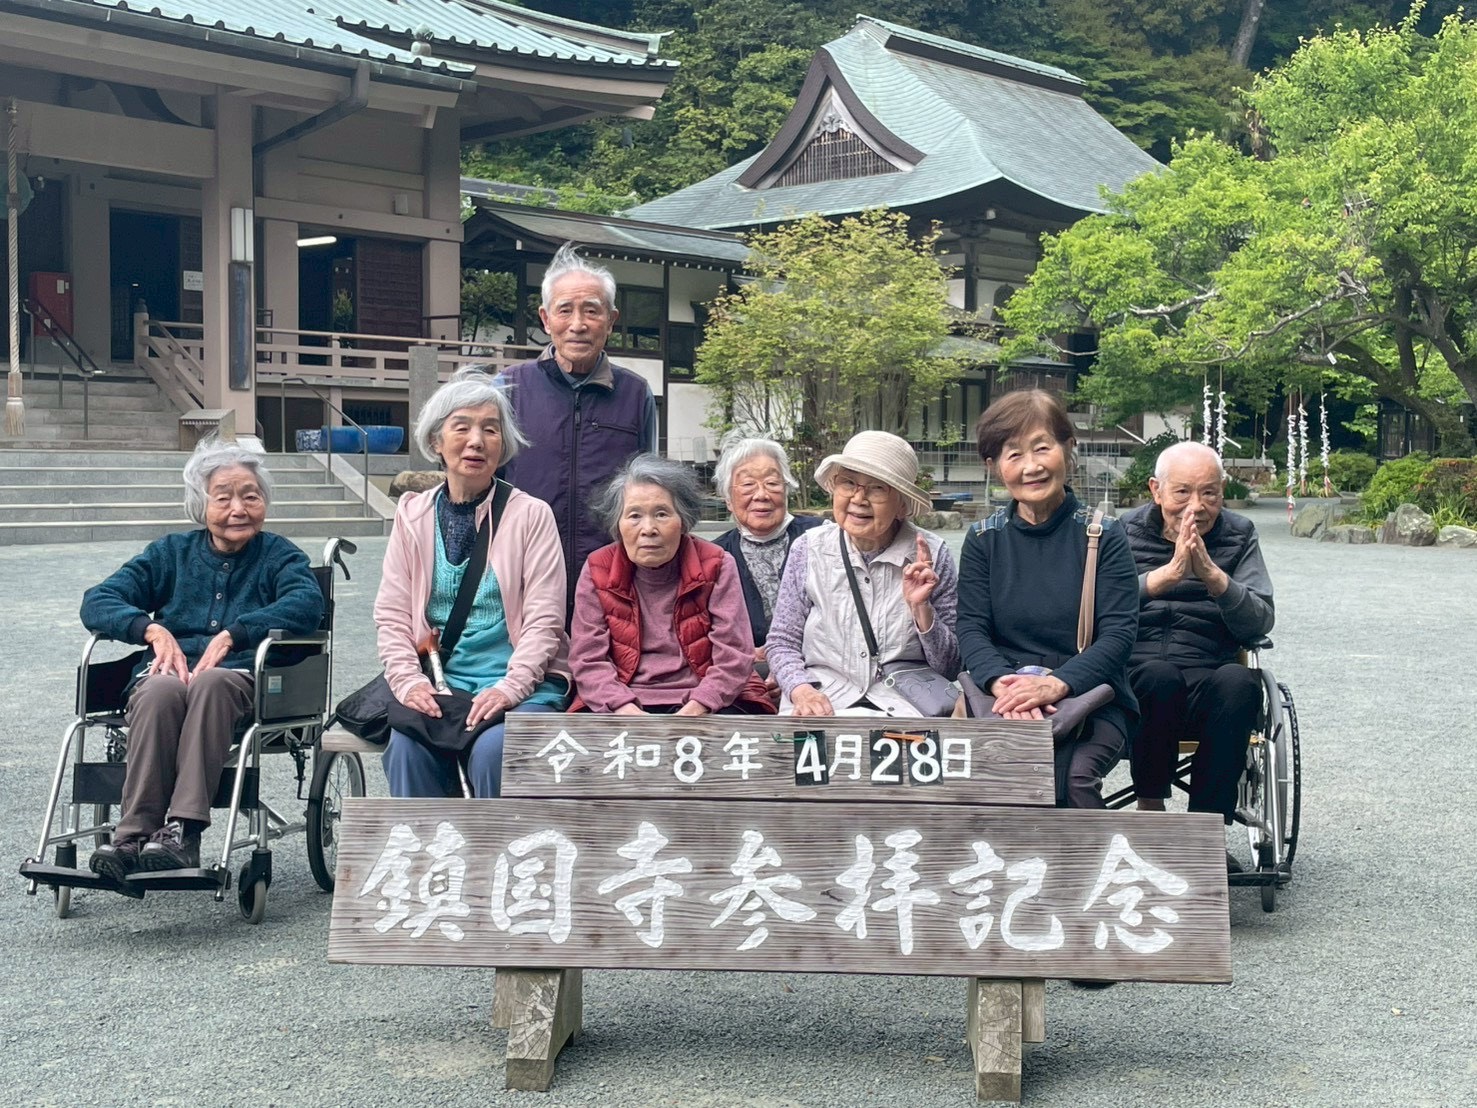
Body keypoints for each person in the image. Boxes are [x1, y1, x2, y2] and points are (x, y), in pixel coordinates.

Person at [81, 441, 324, 880]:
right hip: (168, 676)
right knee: (157, 689)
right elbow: (98, 600)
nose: (239, 508)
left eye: (250, 495)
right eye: (224, 496)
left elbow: (307, 604)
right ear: (201, 504)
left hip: (239, 682)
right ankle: (132, 835)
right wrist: (150, 630)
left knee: (213, 682)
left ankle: (183, 831)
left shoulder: (279, 555)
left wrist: (238, 633)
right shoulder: (170, 553)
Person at [376, 367, 571, 798]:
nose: (476, 441)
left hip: (522, 683)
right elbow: (391, 615)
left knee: (494, 751)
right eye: (460, 427)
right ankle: (428, 862)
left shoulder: (531, 515)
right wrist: (410, 683)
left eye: (490, 429)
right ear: (436, 442)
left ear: (503, 445)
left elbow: (545, 619)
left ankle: (497, 859)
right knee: (406, 749)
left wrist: (510, 687)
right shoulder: (411, 515)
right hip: (443, 682)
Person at [955, 390, 1138, 808]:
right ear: (993, 466)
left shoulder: (1104, 536)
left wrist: (1055, 684)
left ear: (1067, 449)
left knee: (1074, 779)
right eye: (1014, 454)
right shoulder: (984, 540)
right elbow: (971, 626)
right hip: (1005, 696)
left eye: (1042, 448)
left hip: (1088, 696)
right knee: (988, 779)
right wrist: (1004, 685)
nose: (1032, 466)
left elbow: (1119, 635)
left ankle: (1082, 870)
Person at [1120, 440, 1275, 842]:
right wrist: (1163, 578)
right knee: (1158, 675)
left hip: (1209, 672)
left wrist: (1214, 577)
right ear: (1156, 491)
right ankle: (1150, 808)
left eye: (1209, 493)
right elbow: (1093, 611)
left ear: (1223, 492)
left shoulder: (1239, 535)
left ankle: (1204, 833)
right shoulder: (1121, 533)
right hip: (1136, 678)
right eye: (1182, 492)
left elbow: (1261, 618)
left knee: (1242, 683)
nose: (1197, 506)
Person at [498, 243, 658, 608]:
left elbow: (650, 489)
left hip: (612, 578)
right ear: (545, 318)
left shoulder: (635, 394)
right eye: (564, 310)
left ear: (611, 320)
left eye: (591, 311)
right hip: (523, 574)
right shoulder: (508, 389)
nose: (578, 325)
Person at [765, 430, 960, 716]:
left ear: (902, 505)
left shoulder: (932, 555)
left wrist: (921, 609)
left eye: (877, 488)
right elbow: (782, 641)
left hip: (905, 706)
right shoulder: (808, 549)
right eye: (848, 483)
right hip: (823, 701)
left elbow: (951, 665)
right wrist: (800, 689)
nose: (859, 498)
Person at [569, 454, 774, 715]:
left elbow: (733, 654)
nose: (648, 529)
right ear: (617, 525)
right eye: (634, 516)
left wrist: (698, 706)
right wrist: (623, 708)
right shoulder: (598, 568)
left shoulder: (717, 564)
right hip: (622, 700)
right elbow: (588, 659)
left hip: (708, 699)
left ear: (683, 521)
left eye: (662, 514)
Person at [710, 436, 823, 676]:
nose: (761, 495)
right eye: (748, 485)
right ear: (728, 500)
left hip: (818, 666)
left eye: (772, 483)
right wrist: (745, 653)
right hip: (746, 672)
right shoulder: (714, 557)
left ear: (786, 490)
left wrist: (785, 661)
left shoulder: (821, 538)